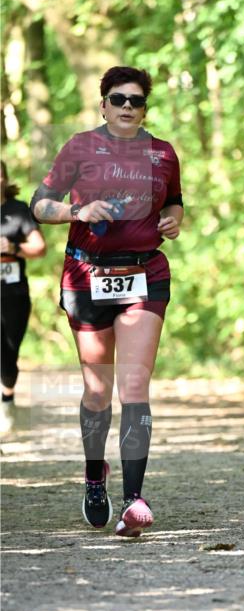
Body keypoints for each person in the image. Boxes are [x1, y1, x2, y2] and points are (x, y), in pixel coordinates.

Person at [30, 66, 183, 536]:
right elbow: (40, 204)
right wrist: (77, 210)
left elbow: (175, 201)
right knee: (98, 392)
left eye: (136, 101)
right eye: (118, 100)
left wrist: (174, 220)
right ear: (103, 105)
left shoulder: (162, 153)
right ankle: (95, 475)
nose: (127, 109)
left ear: (145, 108)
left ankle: (133, 499)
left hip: (144, 273)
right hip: (87, 275)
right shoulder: (79, 147)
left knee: (133, 388)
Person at [1, 161, 47, 432]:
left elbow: (39, 248)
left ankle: (7, 400)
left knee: (7, 355)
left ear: (5, 179)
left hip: (13, 294)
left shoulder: (17, 211)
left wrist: (14, 247)